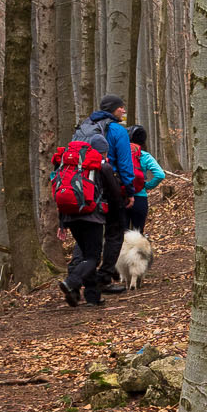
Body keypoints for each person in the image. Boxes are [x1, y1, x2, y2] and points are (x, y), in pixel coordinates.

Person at [73, 95, 135, 289]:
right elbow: (125, 164)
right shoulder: (117, 130)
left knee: (88, 230)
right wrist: (129, 190)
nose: (124, 111)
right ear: (113, 109)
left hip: (83, 185)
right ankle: (104, 277)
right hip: (108, 183)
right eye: (121, 108)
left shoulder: (85, 127)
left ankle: (76, 272)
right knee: (115, 230)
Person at [56, 139, 126, 307]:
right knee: (92, 258)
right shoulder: (102, 166)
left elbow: (62, 190)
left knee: (86, 255)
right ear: (103, 151)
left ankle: (93, 297)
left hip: (71, 216)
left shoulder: (68, 166)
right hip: (92, 216)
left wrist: (62, 222)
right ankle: (71, 282)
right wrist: (118, 215)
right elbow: (115, 194)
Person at [125, 125, 167, 233]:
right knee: (137, 234)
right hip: (140, 198)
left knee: (120, 236)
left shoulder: (121, 154)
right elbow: (160, 174)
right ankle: (138, 251)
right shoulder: (145, 156)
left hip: (122, 197)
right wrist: (147, 185)